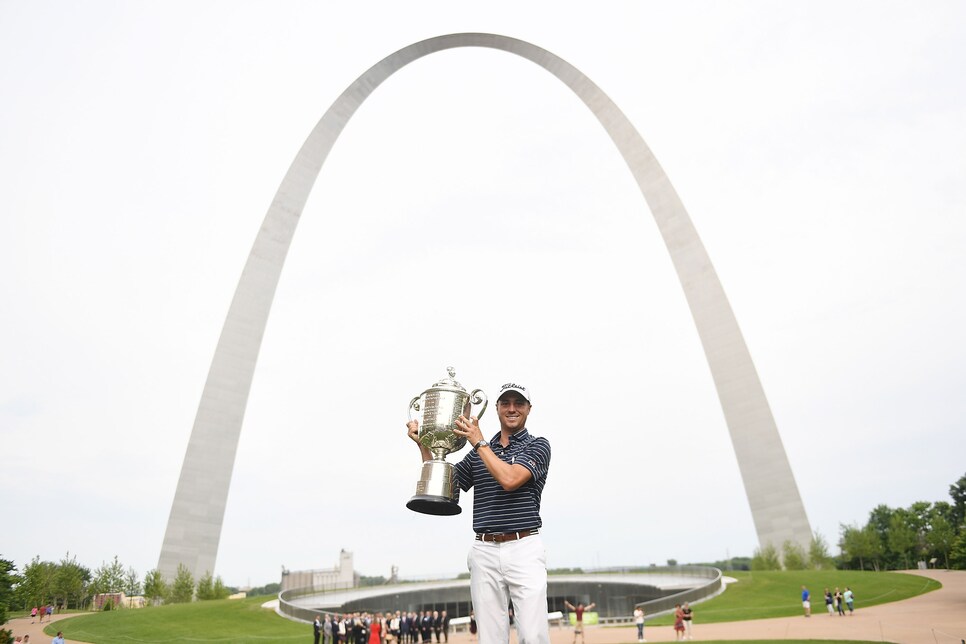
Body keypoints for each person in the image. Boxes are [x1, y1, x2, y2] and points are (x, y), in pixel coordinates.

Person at [408, 381, 551, 644]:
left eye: (518, 403)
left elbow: (510, 480)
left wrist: (478, 441)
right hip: (484, 550)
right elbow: (445, 485)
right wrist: (425, 444)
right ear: (496, 408)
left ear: (529, 409)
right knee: (491, 639)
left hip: (524, 547)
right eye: (505, 403)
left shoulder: (538, 446)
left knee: (534, 636)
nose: (512, 409)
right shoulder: (478, 454)